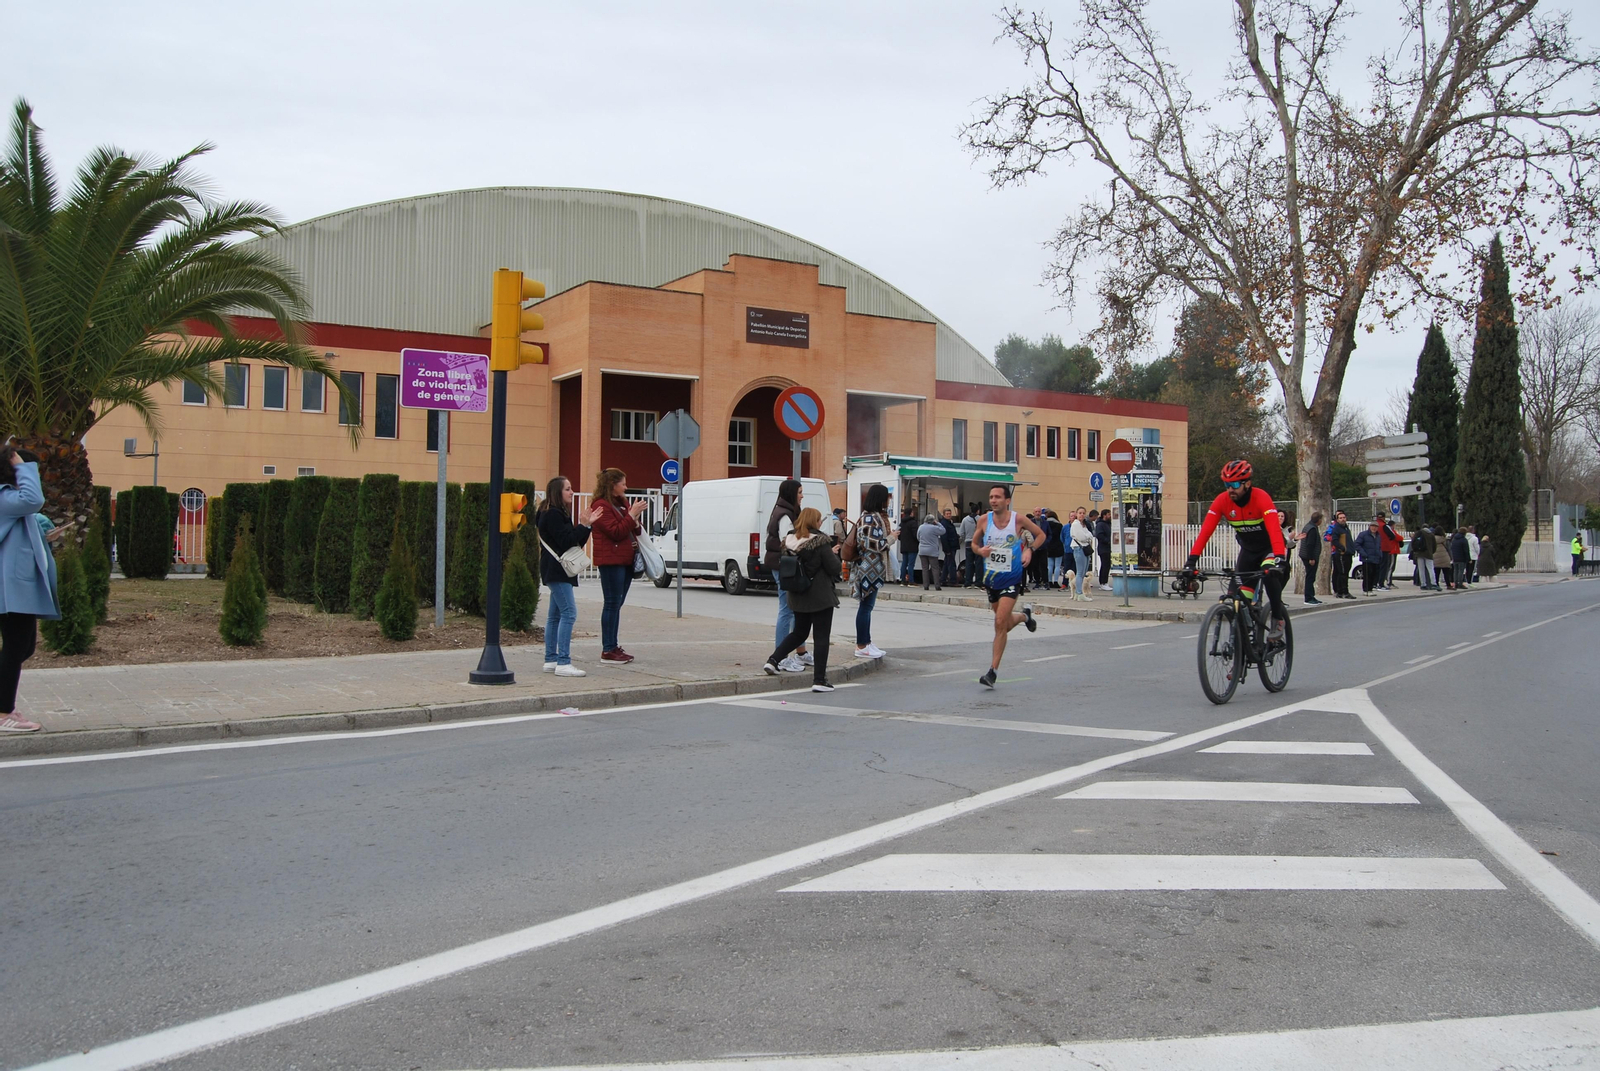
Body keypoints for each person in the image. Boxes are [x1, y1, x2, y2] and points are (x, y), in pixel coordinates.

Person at [1180, 459, 1290, 640]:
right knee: (1237, 601)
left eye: (1235, 484)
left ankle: (1277, 618)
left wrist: (1280, 557)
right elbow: (1205, 533)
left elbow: (1274, 531)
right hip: (1248, 552)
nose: (1230, 489)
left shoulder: (1261, 497)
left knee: (1269, 573)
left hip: (1269, 548)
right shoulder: (1222, 501)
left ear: (1248, 484)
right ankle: (1240, 652)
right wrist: (1190, 562)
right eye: (1227, 484)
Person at [0, 447, 60, 733]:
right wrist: (20, 463)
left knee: (23, 647)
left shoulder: (8, 499)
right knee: (15, 647)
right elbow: (33, 499)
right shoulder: (4, 497)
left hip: (16, 587)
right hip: (10, 590)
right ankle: (3, 713)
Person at [763, 507, 841, 692]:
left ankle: (773, 660)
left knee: (799, 633)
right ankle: (819, 680)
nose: (821, 523)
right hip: (819, 596)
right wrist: (834, 553)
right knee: (821, 637)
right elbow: (834, 568)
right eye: (819, 520)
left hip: (797, 595)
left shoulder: (789, 540)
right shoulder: (821, 541)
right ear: (814, 521)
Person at [972, 484, 1042, 688]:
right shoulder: (984, 520)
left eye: (997, 497)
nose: (993, 500)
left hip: (1012, 578)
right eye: (991, 497)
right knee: (1003, 623)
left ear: (1007, 500)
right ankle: (1024, 616)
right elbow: (974, 544)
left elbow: (1040, 535)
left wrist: (1029, 550)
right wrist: (980, 551)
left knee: (999, 622)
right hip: (991, 579)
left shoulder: (1018, 519)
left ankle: (992, 671)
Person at [535, 475, 598, 677]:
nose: (572, 492)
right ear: (557, 492)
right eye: (568, 489)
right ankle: (563, 661)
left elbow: (575, 542)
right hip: (557, 570)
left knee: (554, 616)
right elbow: (567, 541)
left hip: (555, 569)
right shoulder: (553, 514)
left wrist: (586, 526)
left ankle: (551, 659)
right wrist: (583, 525)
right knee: (569, 613)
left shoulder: (553, 513)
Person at [589, 467, 649, 664]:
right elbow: (615, 532)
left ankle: (613, 646)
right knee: (612, 604)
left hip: (625, 560)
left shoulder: (621, 503)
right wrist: (631, 516)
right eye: (623, 483)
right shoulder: (601, 506)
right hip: (611, 561)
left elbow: (630, 528)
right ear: (613, 485)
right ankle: (608, 649)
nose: (626, 487)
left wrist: (635, 518)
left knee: (617, 604)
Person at [765, 479, 812, 672]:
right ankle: (781, 656)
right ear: (792, 494)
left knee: (793, 609)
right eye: (800, 492)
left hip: (783, 564)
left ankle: (799, 652)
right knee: (787, 610)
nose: (802, 495)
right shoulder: (784, 514)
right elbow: (789, 543)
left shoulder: (786, 511)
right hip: (784, 566)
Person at [852, 483, 891, 659]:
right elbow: (873, 544)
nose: (888, 500)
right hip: (868, 568)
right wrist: (891, 538)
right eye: (887, 497)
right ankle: (861, 644)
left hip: (871, 567)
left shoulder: (871, 516)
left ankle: (866, 642)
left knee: (867, 606)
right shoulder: (870, 518)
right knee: (866, 606)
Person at [1324, 511, 1355, 600]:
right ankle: (1343, 591)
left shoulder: (1345, 528)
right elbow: (1333, 540)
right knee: (1342, 573)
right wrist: (1342, 548)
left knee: (1344, 573)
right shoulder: (1336, 528)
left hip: (1348, 553)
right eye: (1340, 518)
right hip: (1340, 554)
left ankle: (1342, 591)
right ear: (1337, 520)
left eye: (1344, 517)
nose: (1342, 519)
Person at [1069, 507, 1095, 602]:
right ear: (1076, 514)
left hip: (1085, 549)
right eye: (1080, 513)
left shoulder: (1083, 525)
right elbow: (1081, 537)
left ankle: (1077, 593)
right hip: (1079, 548)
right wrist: (1087, 537)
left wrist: (1087, 537)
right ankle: (1079, 593)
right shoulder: (1076, 524)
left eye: (1083, 513)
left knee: (1083, 572)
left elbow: (1090, 535)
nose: (1082, 515)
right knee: (1080, 572)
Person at [1298, 511, 1324, 604]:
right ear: (1319, 520)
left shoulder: (1308, 526)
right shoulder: (1312, 529)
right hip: (1309, 556)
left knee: (1310, 577)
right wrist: (1311, 558)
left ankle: (1311, 596)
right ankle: (1308, 598)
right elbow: (1310, 544)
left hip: (1306, 555)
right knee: (1310, 577)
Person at [1354, 519, 1384, 596]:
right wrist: (1364, 553)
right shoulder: (1363, 535)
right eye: (1372, 526)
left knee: (1374, 575)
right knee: (1367, 575)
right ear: (1369, 527)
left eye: (1375, 527)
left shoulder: (1378, 536)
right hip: (1367, 558)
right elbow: (1357, 544)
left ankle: (1370, 589)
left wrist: (1380, 554)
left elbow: (1379, 546)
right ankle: (1366, 590)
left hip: (1376, 558)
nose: (1374, 528)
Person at [916, 513, 944, 591]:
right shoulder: (934, 528)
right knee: (935, 568)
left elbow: (918, 537)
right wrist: (937, 523)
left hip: (922, 550)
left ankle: (926, 586)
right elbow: (943, 531)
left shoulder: (921, 527)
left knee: (924, 568)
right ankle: (937, 586)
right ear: (933, 521)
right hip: (932, 551)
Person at [1410, 523, 1438, 590]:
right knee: (1431, 569)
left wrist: (1416, 550)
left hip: (1419, 553)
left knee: (1421, 569)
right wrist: (1431, 552)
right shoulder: (1431, 535)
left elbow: (1413, 542)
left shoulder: (1419, 533)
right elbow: (1434, 546)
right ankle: (1433, 583)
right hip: (1428, 554)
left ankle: (1423, 584)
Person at [939, 507, 961, 588]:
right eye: (947, 514)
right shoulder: (944, 524)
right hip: (950, 547)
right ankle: (953, 580)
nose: (949, 515)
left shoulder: (949, 522)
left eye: (950, 514)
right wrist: (946, 549)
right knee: (952, 564)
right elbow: (944, 537)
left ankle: (943, 580)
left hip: (952, 545)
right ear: (944, 515)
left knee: (946, 563)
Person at [1043, 510, 1065, 590]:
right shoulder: (1059, 525)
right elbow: (1062, 537)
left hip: (1048, 546)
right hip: (1058, 546)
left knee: (1049, 565)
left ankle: (1049, 581)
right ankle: (1055, 581)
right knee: (1057, 566)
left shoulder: (1045, 524)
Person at [897, 506, 919, 585]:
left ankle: (902, 580)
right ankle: (911, 581)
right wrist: (918, 541)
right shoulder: (913, 523)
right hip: (912, 546)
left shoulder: (901, 523)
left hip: (904, 546)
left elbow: (898, 535)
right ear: (911, 513)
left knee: (904, 563)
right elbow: (916, 535)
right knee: (911, 564)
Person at [1379, 516, 1402, 589]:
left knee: (1390, 567)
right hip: (1392, 550)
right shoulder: (1389, 530)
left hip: (1392, 550)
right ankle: (1389, 581)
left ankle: (1387, 581)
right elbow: (1398, 537)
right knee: (1390, 567)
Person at [959, 506, 979, 587]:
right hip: (978, 543)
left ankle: (968, 582)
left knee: (969, 563)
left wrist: (963, 540)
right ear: (978, 511)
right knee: (978, 563)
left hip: (968, 543)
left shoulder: (965, 519)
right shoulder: (981, 519)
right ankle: (978, 582)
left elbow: (961, 533)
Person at [1095, 509, 1113, 591]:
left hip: (1108, 548)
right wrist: (1107, 541)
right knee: (1105, 565)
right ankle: (1103, 582)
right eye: (1109, 514)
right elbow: (1099, 535)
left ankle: (1104, 582)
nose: (1110, 516)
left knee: (1107, 565)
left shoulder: (1108, 524)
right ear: (1104, 515)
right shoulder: (1100, 525)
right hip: (1103, 548)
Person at [1433, 525, 1454, 590]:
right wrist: (1451, 557)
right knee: (1446, 572)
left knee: (1436, 572)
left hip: (1435, 557)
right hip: (1444, 557)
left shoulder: (1433, 539)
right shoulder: (1444, 539)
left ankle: (1436, 584)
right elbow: (1449, 548)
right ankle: (1448, 585)